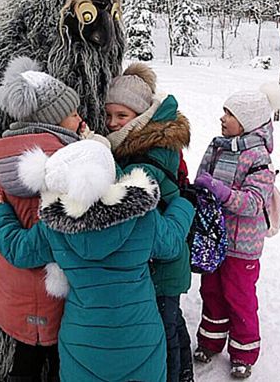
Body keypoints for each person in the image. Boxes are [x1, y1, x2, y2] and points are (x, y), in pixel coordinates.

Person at [0, 138, 195, 382]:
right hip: (140, 337)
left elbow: (19, 250)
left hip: (82, 342)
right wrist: (183, 205)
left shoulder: (56, 228)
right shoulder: (142, 218)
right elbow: (171, 244)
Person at [0, 55, 85, 382]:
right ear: (52, 120)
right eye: (72, 114)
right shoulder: (63, 166)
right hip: (56, 290)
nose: (80, 118)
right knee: (57, 363)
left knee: (25, 360)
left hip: (15, 287)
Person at [105, 63, 194, 382]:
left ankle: (175, 374)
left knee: (162, 331)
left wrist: (98, 152)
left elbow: (124, 193)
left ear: (140, 117)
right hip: (163, 258)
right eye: (109, 115)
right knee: (172, 320)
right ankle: (185, 371)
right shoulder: (139, 144)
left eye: (122, 116)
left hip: (163, 264)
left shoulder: (148, 157)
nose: (112, 123)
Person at [192, 83, 280, 379]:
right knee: (211, 291)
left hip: (242, 245)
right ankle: (210, 341)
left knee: (239, 296)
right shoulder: (217, 145)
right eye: (224, 111)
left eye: (229, 114)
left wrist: (221, 192)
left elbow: (254, 202)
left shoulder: (259, 159)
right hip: (215, 238)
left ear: (247, 122)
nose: (222, 118)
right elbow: (201, 177)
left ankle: (244, 352)